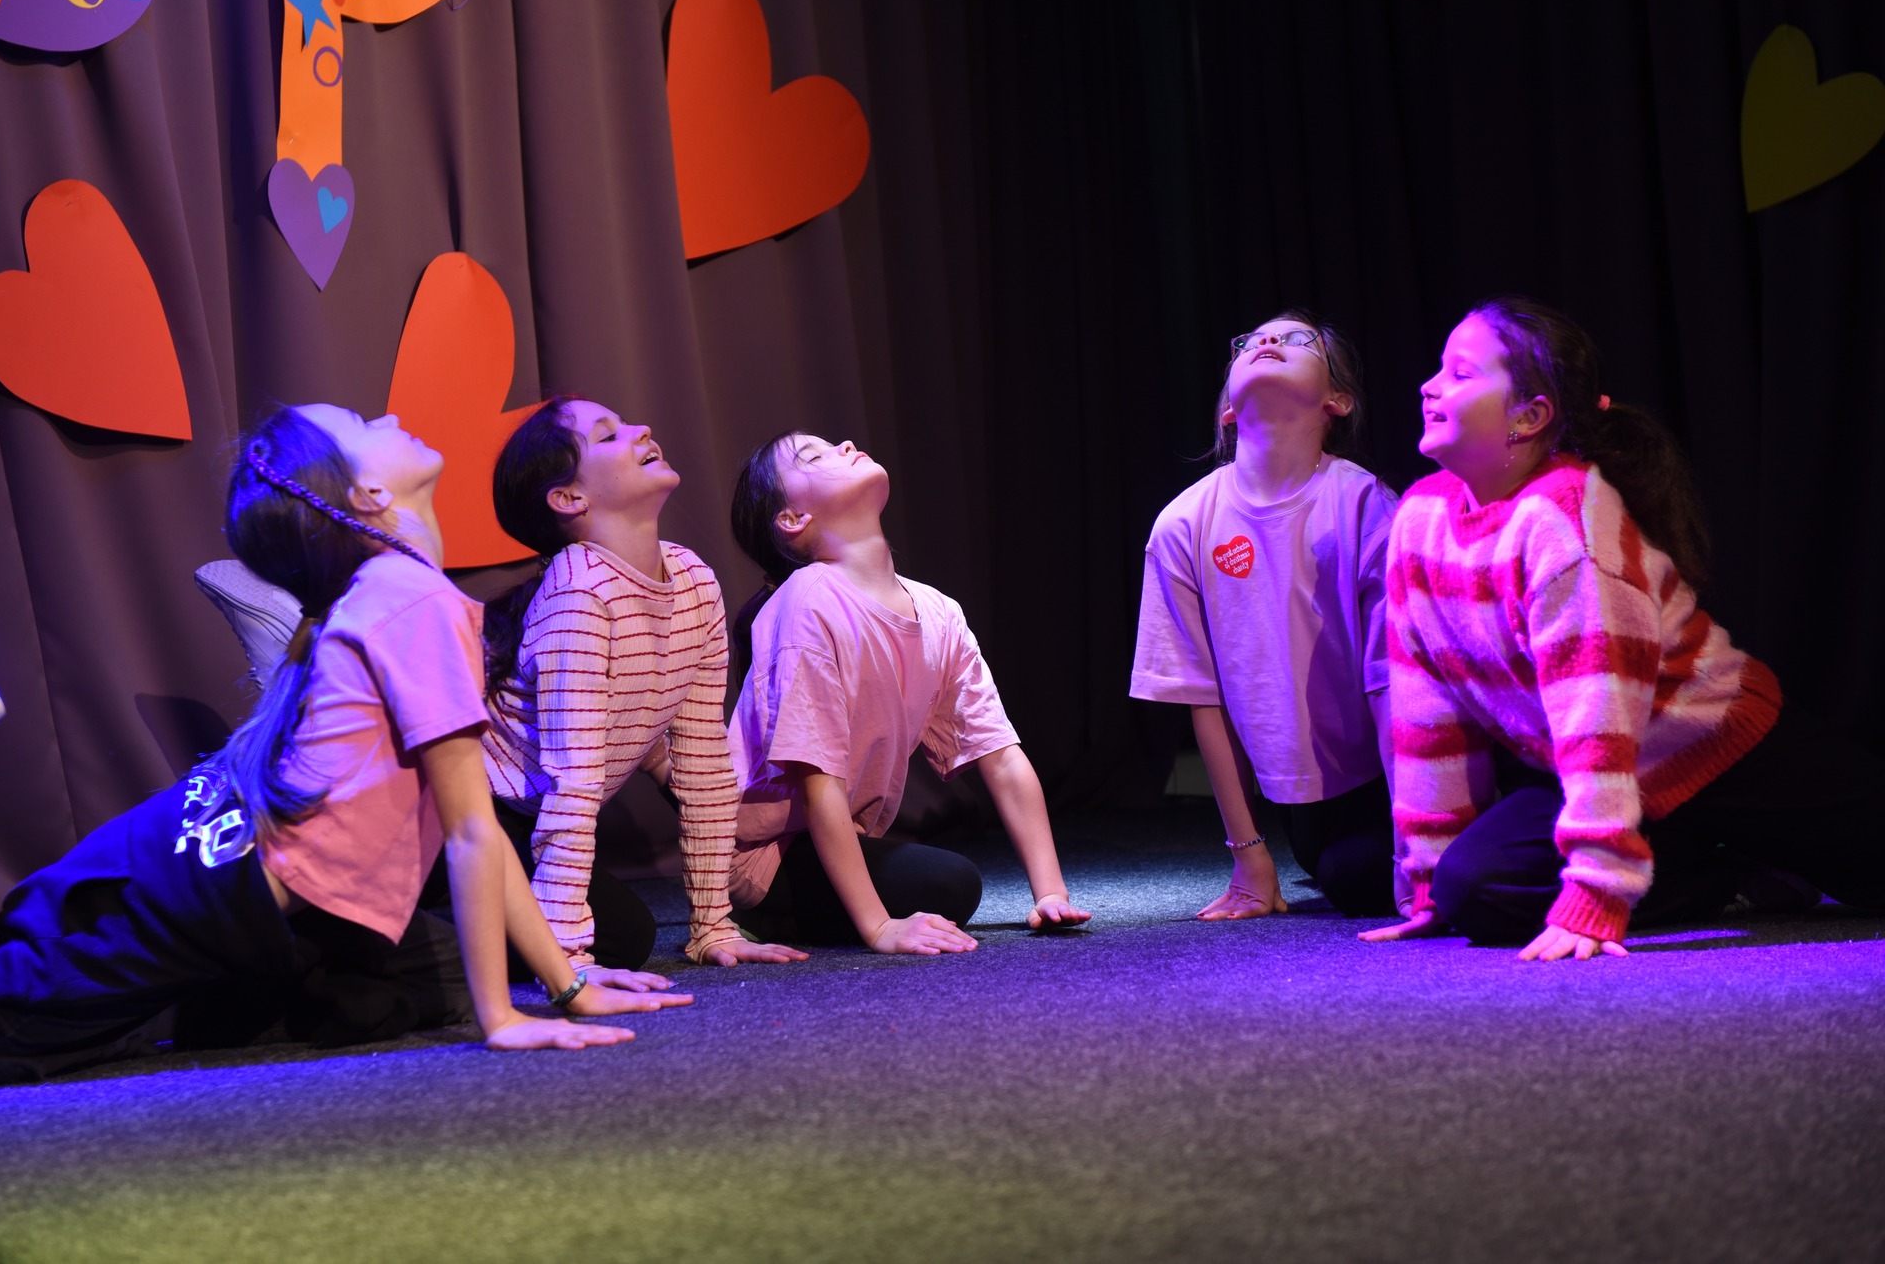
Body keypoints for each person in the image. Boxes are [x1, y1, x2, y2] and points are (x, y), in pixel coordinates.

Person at [0, 405, 687, 1098]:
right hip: (197, 883)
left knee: (389, 985)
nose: (389, 414)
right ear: (365, 493)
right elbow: (472, 830)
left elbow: (475, 831)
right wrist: (505, 1017)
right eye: (363, 421)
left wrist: (569, 981)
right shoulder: (410, 598)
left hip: (203, 867)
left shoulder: (396, 593)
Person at [1360, 298, 1883, 960]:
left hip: (1715, 747)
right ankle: (1723, 867)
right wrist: (1429, 882)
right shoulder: (1419, 520)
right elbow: (1427, 715)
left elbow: (1597, 712)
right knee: (1475, 889)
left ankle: (1735, 848)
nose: (1429, 386)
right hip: (1605, 771)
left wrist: (1598, 892)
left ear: (1528, 416)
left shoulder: (1563, 517)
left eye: (1460, 373)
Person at [465, 397, 808, 979]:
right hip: (477, 814)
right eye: (608, 435)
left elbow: (701, 760)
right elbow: (573, 782)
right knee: (617, 939)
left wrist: (713, 924)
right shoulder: (578, 597)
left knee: (620, 933)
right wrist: (566, 961)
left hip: (535, 814)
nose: (641, 429)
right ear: (569, 498)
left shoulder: (692, 578)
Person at [726, 431, 1091, 954]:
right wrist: (879, 928)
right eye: (814, 455)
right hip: (761, 854)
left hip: (836, 833)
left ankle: (814, 912)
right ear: (793, 518)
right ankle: (764, 914)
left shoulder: (939, 612)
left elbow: (1001, 756)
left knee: (945, 884)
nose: (845, 444)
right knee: (947, 884)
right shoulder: (806, 600)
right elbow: (816, 779)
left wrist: (1051, 892)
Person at [1133, 311, 1403, 921]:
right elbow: (1202, 697)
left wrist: (1417, 834)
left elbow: (1393, 678)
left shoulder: (1364, 502)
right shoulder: (1183, 524)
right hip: (1302, 799)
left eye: (1296, 339)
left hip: (1390, 776)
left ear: (1337, 400)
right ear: (1228, 408)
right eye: (1251, 341)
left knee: (1366, 878)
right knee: (1347, 873)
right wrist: (1250, 857)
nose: (1269, 341)